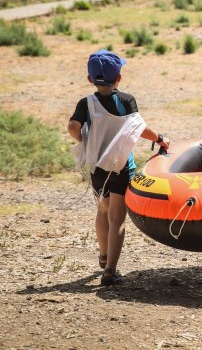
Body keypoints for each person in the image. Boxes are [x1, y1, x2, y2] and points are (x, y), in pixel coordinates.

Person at [67, 50, 170, 286]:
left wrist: (83, 140)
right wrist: (160, 139)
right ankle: (110, 271)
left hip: (97, 167)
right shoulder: (126, 101)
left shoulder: (86, 103)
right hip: (121, 166)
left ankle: (103, 255)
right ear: (119, 79)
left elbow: (73, 126)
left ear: (90, 79)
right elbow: (140, 128)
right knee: (117, 218)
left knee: (102, 211)